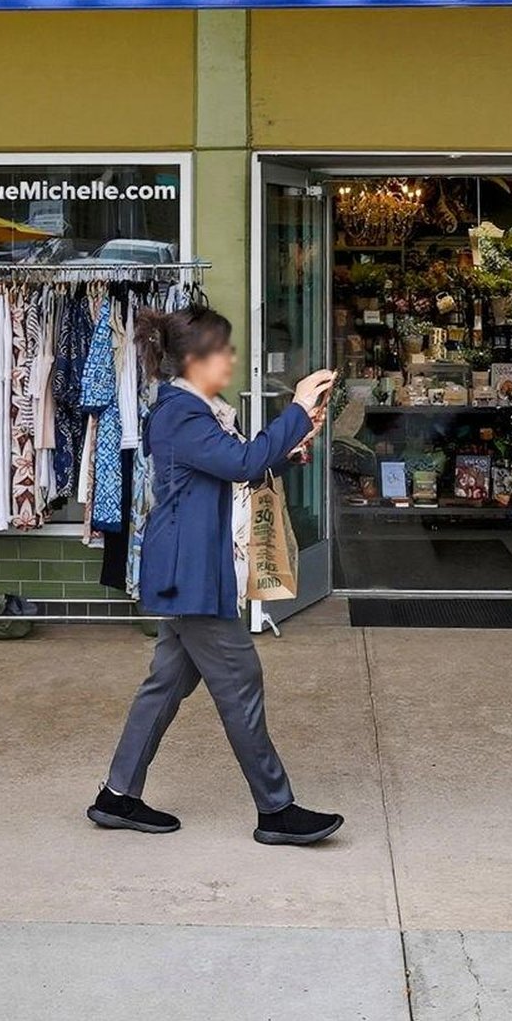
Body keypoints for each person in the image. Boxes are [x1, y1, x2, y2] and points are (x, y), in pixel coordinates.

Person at [89, 304, 343, 846]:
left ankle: (117, 796)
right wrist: (296, 408)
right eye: (222, 350)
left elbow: (240, 461)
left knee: (164, 687)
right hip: (192, 575)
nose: (229, 358)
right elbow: (244, 464)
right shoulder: (181, 412)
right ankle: (276, 810)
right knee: (240, 683)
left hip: (189, 573)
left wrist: (293, 444)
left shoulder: (196, 409)